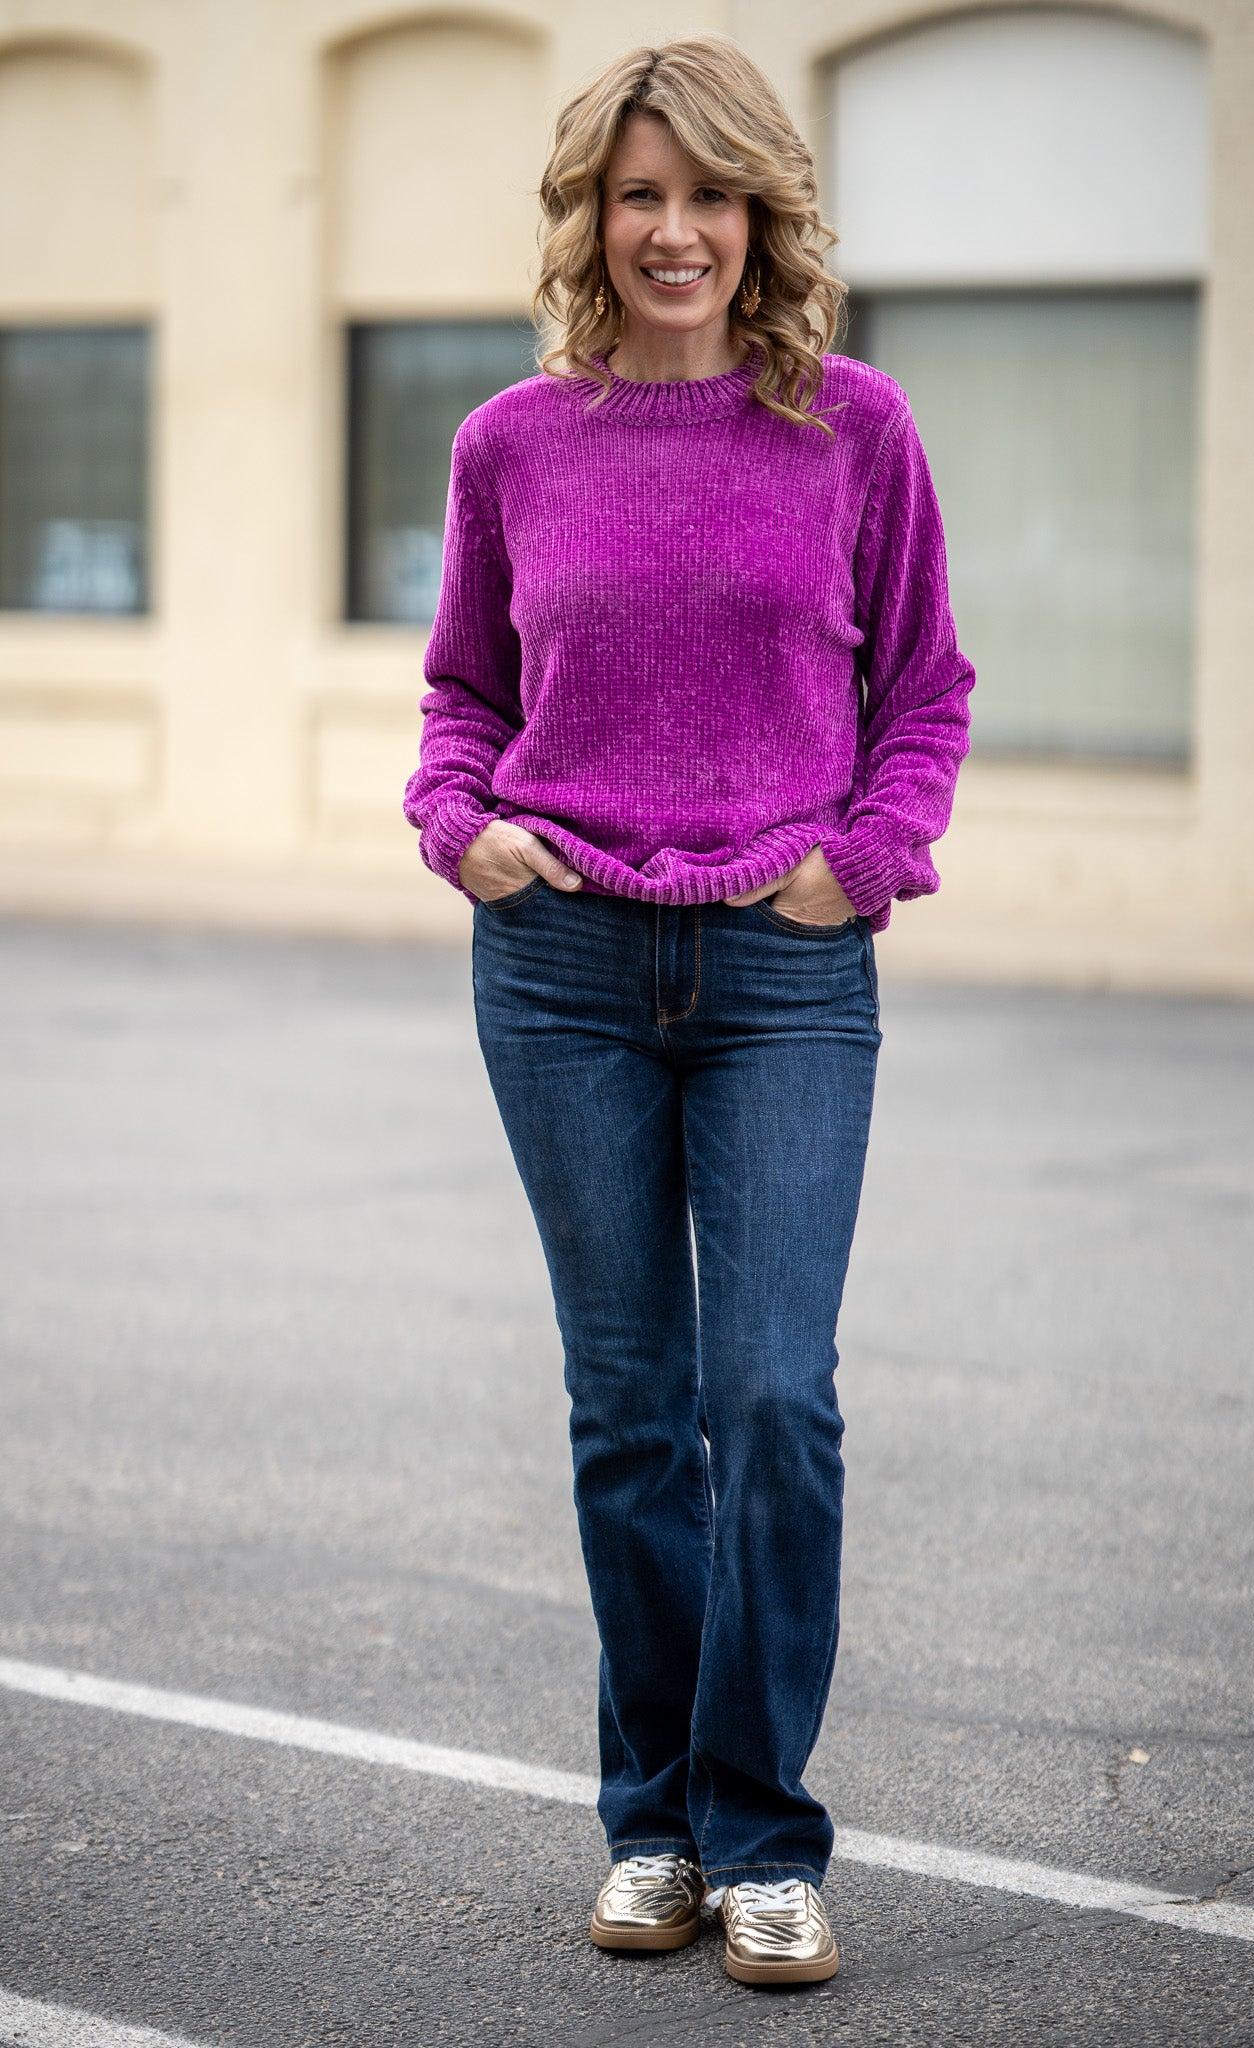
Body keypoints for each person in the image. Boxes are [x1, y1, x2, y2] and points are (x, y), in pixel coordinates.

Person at [404, 34, 973, 1988]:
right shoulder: (510, 445)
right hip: (557, 965)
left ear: (761, 221)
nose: (673, 230)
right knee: (628, 1413)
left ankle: (759, 1831)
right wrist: (456, 828)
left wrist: (862, 859)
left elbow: (923, 693)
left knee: (770, 1399)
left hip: (784, 965)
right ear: (591, 220)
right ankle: (649, 1823)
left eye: (707, 195)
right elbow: (463, 696)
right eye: (637, 194)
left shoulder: (855, 431)